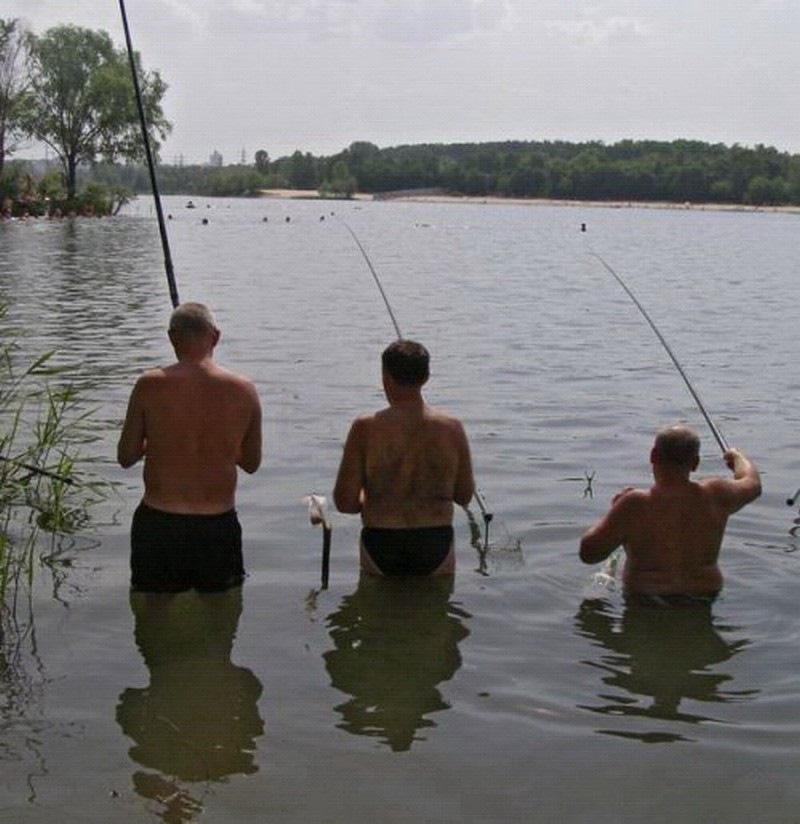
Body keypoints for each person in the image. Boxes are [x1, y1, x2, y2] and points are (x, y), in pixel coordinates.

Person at [117, 302, 262, 593]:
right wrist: (222, 445)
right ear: (216, 337)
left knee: (153, 621)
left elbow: (126, 457)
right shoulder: (244, 389)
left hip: (159, 524)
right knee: (220, 626)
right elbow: (251, 463)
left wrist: (158, 441)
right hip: (217, 525)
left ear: (172, 338)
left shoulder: (149, 384)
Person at [333, 339, 475, 576]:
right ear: (426, 377)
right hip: (435, 542)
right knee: (433, 609)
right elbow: (464, 496)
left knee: (377, 611)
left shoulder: (364, 428)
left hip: (380, 542)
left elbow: (345, 504)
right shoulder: (453, 429)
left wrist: (371, 495)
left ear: (385, 376)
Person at [579, 424, 761, 604]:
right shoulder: (717, 494)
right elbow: (752, 483)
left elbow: (589, 553)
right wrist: (738, 457)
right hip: (705, 597)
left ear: (653, 456)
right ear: (695, 463)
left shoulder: (634, 504)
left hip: (647, 601)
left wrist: (616, 510)